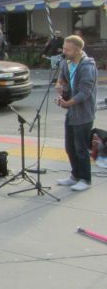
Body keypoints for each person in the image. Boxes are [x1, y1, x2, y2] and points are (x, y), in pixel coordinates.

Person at [55, 35, 98, 192]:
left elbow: (84, 93)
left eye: (68, 49)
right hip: (72, 112)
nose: (64, 51)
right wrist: (59, 86)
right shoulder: (67, 63)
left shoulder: (87, 66)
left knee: (80, 148)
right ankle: (74, 175)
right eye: (64, 48)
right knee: (70, 146)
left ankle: (85, 179)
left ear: (78, 50)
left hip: (84, 113)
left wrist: (68, 103)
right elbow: (62, 77)